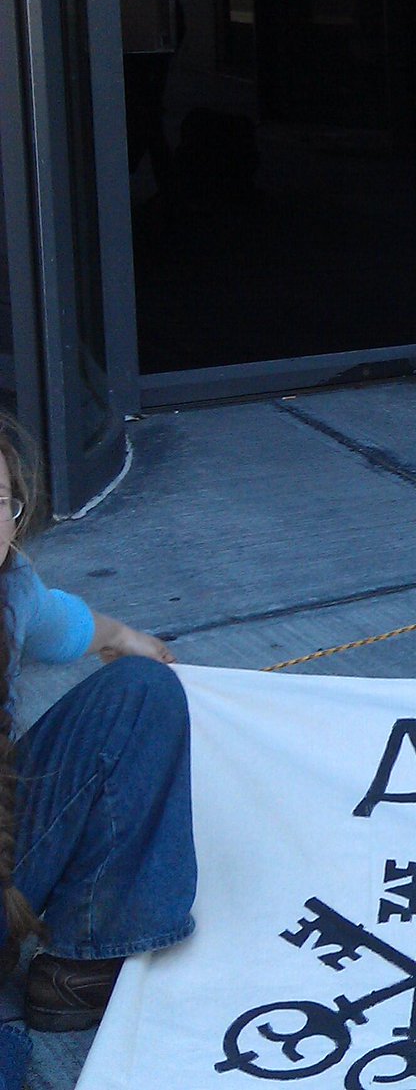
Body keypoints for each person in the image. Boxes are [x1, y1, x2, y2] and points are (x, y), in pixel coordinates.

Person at [0, 419, 193, 1084]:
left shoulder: (11, 585)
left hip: (5, 847)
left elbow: (62, 622)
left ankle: (83, 959)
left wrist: (125, 636)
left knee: (141, 691)